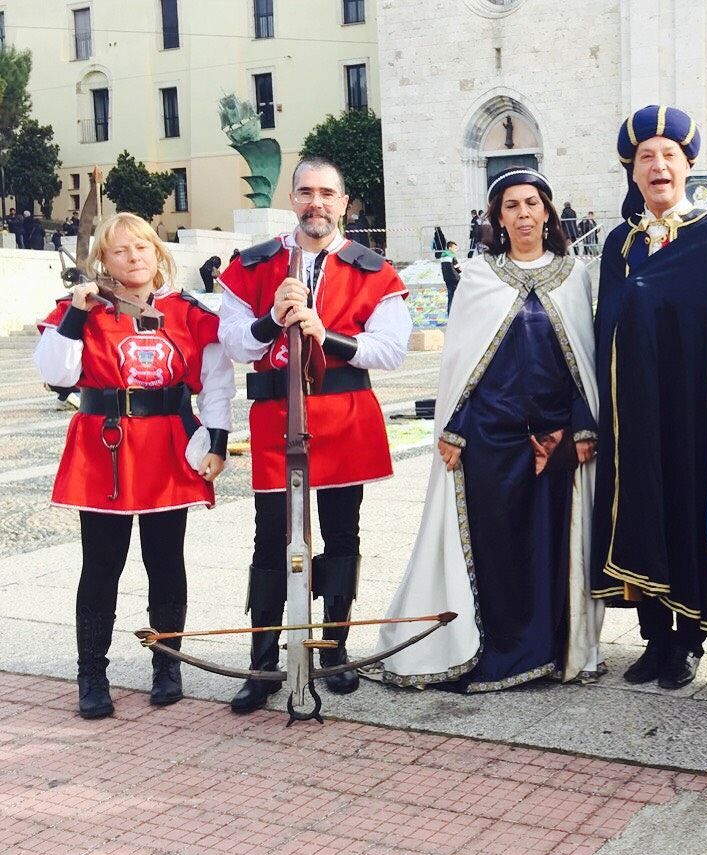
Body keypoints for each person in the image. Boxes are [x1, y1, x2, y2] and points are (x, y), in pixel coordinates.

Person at [376, 169, 603, 690]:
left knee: (549, 545)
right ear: (498, 218)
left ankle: (549, 649)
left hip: (556, 439)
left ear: (547, 211)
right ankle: (496, 646)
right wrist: (454, 427)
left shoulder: (574, 275)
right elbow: (461, 364)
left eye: (531, 203)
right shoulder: (479, 278)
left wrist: (582, 425)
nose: (523, 214)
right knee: (496, 545)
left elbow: (582, 360)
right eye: (511, 206)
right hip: (489, 438)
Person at [217, 155, 411, 714]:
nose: (316, 203)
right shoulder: (254, 264)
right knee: (270, 538)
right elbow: (232, 341)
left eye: (327, 193)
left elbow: (391, 349)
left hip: (344, 417)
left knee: (342, 533)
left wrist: (329, 336)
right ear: (292, 199)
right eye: (306, 192)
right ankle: (262, 662)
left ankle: (333, 649)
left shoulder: (373, 269)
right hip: (278, 419)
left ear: (343, 203)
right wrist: (270, 320)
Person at [32, 212, 234, 718]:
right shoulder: (83, 309)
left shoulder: (187, 311)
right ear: (104, 259)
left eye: (142, 246)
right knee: (102, 564)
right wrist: (77, 314)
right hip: (106, 446)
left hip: (167, 446)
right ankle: (91, 674)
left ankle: (168, 664)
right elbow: (56, 374)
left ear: (157, 252)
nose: (133, 257)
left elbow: (216, 382)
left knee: (165, 560)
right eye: (120, 250)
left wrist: (218, 441)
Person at [590, 105, 707, 690]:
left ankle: (690, 640)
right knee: (641, 509)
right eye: (646, 157)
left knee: (684, 507)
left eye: (668, 155)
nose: (658, 166)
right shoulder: (619, 244)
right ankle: (654, 637)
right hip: (632, 409)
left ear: (688, 165)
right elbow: (606, 323)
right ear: (632, 171)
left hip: (689, 407)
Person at [439, 238, 461, 311]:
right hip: (455, 279)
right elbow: (458, 269)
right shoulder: (452, 256)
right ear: (450, 248)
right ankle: (456, 312)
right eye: (455, 248)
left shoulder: (442, 256)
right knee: (457, 297)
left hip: (447, 279)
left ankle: (450, 312)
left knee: (450, 297)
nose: (456, 250)